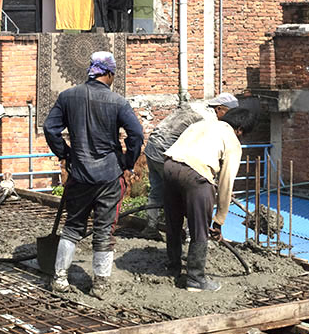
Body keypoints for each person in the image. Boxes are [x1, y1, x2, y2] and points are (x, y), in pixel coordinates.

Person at [43, 51, 144, 299]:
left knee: (72, 227)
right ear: (109, 74)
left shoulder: (68, 97)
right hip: (109, 176)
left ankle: (59, 279)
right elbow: (137, 135)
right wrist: (127, 163)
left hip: (79, 174)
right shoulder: (118, 102)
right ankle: (99, 285)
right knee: (104, 230)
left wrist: (65, 154)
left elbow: (50, 128)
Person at [161, 107, 256, 292]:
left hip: (169, 167)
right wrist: (218, 221)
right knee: (200, 228)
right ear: (240, 130)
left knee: (173, 222)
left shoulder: (202, 124)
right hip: (195, 174)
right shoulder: (232, 141)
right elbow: (226, 184)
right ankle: (195, 279)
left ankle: (173, 267)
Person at [143, 93, 239, 231]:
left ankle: (151, 227)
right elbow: (201, 157)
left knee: (157, 191)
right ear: (219, 108)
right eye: (229, 114)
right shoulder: (209, 121)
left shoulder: (197, 106)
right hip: (167, 152)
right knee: (190, 193)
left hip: (152, 148)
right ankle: (190, 234)